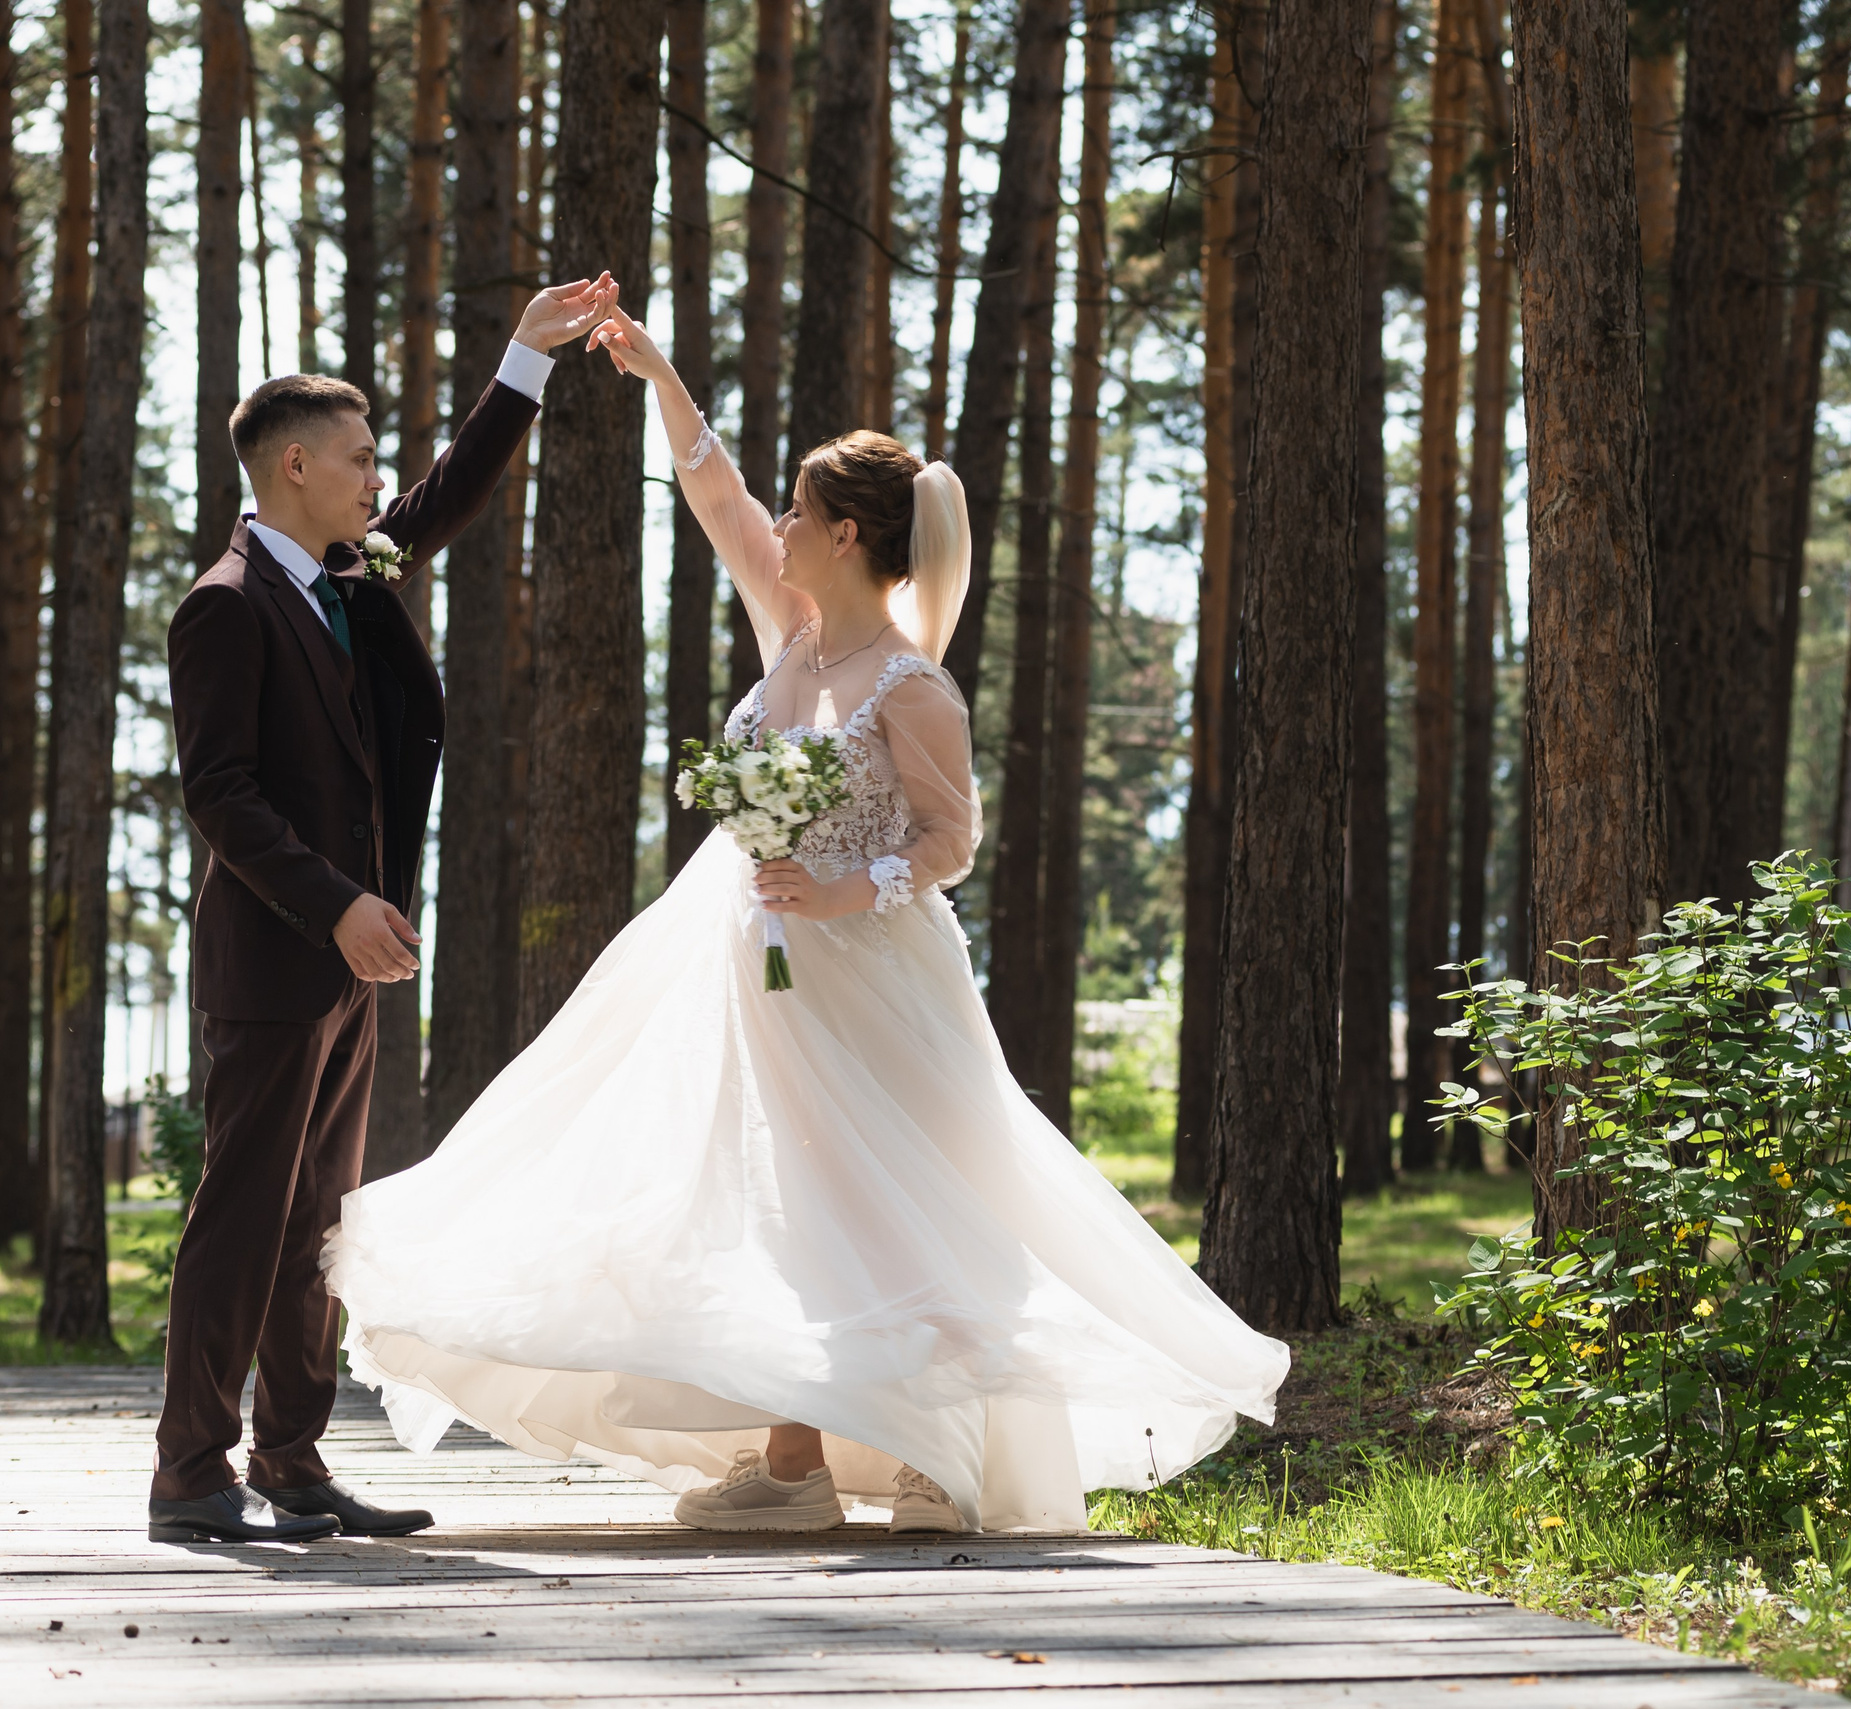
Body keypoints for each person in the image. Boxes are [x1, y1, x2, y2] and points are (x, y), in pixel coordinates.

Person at [321, 289, 1287, 1536]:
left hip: (875, 969)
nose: (772, 523)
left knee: (910, 1198)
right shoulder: (789, 637)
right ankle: (793, 1463)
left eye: (795, 510)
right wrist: (655, 373)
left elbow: (953, 839)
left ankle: (943, 1457)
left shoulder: (910, 681)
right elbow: (712, 493)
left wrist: (845, 885)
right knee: (783, 1205)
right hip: (752, 966)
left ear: (840, 532)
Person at [149, 277, 616, 1546]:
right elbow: (221, 794)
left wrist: (522, 355)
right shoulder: (225, 604)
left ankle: (292, 1463)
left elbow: (443, 502)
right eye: (359, 459)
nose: (378, 478)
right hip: (278, 953)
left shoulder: (347, 572)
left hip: (355, 960)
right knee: (242, 1215)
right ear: (292, 465)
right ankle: (191, 1471)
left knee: (318, 1224)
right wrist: (335, 903)